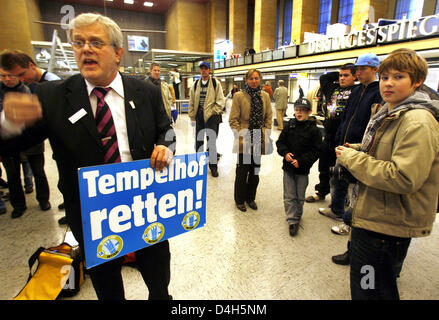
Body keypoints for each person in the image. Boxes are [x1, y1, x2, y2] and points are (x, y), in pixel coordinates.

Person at [0, 13, 174, 300]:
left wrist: (165, 146)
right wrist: (9, 122)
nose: (85, 49)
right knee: (107, 284)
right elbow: (11, 146)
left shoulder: (146, 92)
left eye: (96, 42)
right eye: (78, 43)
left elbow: (166, 130)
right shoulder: (52, 96)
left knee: (158, 275)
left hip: (146, 205)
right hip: (92, 213)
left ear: (118, 53)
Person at [335, 48, 439, 300]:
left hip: (386, 225)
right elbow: (389, 152)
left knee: (370, 289)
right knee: (371, 284)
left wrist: (353, 158)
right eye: (385, 77)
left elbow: (403, 176)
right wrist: (361, 148)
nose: (389, 83)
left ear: (417, 82)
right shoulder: (393, 111)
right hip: (376, 215)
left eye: (399, 77)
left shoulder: (416, 121)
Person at [0, 50, 63, 219]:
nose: (17, 79)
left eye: (20, 74)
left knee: (38, 172)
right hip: (28, 140)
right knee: (14, 176)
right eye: (5, 76)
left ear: (31, 65)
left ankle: (44, 200)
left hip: (44, 144)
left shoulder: (51, 84)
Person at [319, 53, 382, 222]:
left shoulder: (378, 92)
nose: (359, 73)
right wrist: (340, 138)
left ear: (375, 69)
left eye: (363, 69)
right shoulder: (358, 91)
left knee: (356, 187)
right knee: (338, 179)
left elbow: (374, 123)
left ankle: (351, 221)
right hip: (344, 143)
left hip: (360, 147)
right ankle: (337, 210)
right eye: (357, 69)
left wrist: (361, 145)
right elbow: (346, 116)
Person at [306, 64, 357, 204]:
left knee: (342, 169)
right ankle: (322, 191)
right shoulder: (333, 89)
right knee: (324, 165)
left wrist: (355, 73)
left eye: (346, 75)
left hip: (345, 136)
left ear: (355, 76)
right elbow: (324, 77)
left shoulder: (357, 90)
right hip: (329, 134)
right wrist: (340, 73)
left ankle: (343, 197)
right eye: (340, 75)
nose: (342, 78)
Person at [276, 98, 321, 236]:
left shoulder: (314, 130)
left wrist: (301, 161)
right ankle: (292, 220)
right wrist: (285, 153)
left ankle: (298, 215)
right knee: (289, 195)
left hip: (302, 169)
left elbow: (316, 151)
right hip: (288, 168)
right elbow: (280, 143)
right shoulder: (290, 125)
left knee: (300, 196)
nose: (299, 113)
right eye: (297, 110)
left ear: (309, 112)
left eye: (302, 110)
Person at [229, 69, 272, 212]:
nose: (254, 81)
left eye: (256, 78)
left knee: (255, 171)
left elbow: (269, 117)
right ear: (246, 80)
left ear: (260, 79)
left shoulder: (264, 96)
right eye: (251, 79)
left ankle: (250, 198)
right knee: (242, 171)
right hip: (245, 136)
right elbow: (233, 119)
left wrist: (265, 131)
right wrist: (240, 135)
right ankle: (239, 200)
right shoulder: (239, 96)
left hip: (259, 135)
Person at [188, 61, 225, 177]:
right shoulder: (195, 84)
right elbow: (192, 102)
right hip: (199, 115)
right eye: (202, 68)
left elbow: (220, 101)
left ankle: (213, 166)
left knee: (211, 142)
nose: (204, 70)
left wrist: (213, 111)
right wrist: (192, 115)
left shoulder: (215, 83)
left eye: (206, 68)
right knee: (199, 141)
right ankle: (198, 165)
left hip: (212, 117)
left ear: (209, 70)